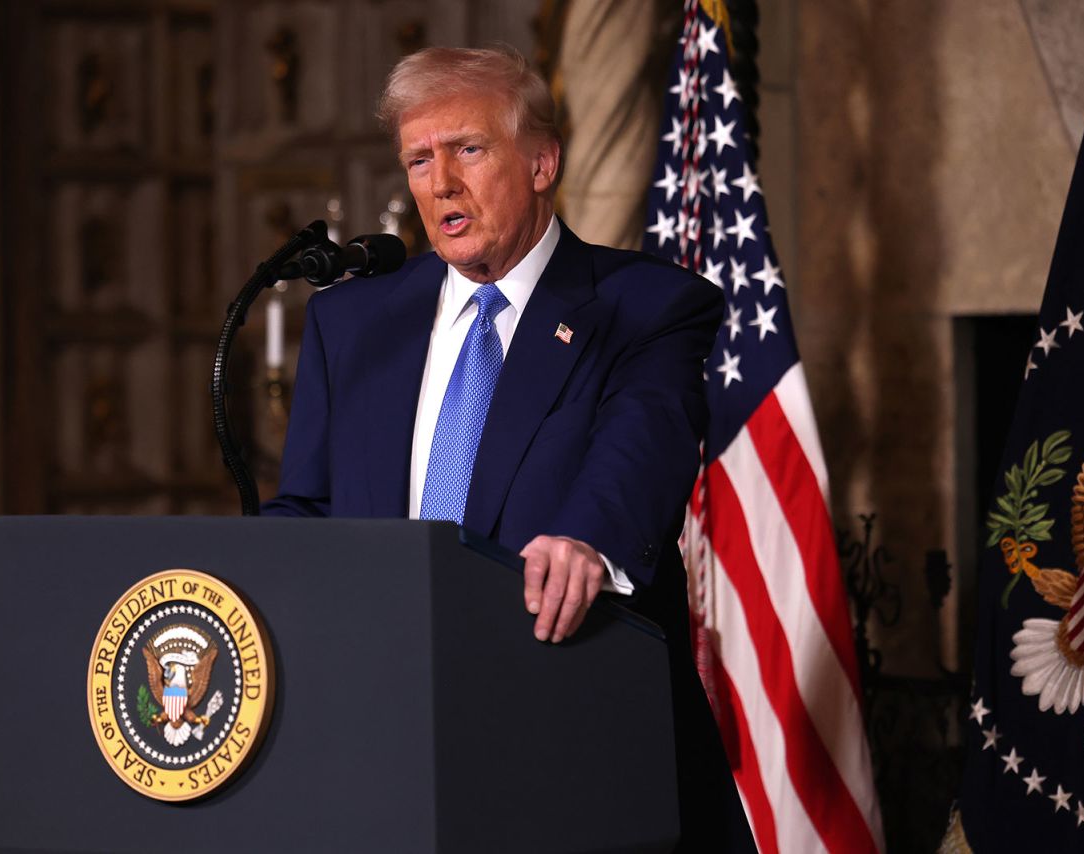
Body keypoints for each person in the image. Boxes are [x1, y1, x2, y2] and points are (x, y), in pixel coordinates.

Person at [264, 46, 753, 851]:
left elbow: (644, 444)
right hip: (384, 757)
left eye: (467, 148)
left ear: (540, 162)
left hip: (573, 746)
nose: (439, 183)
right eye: (419, 159)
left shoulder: (645, 307)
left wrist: (588, 539)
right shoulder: (353, 324)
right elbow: (312, 508)